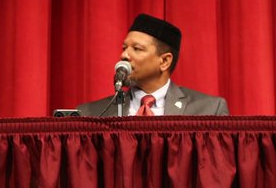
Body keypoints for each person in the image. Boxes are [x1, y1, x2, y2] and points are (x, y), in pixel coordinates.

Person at [76, 13, 229, 116]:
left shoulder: (209, 110)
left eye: (137, 49)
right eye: (124, 48)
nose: (124, 55)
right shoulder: (91, 114)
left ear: (164, 61)